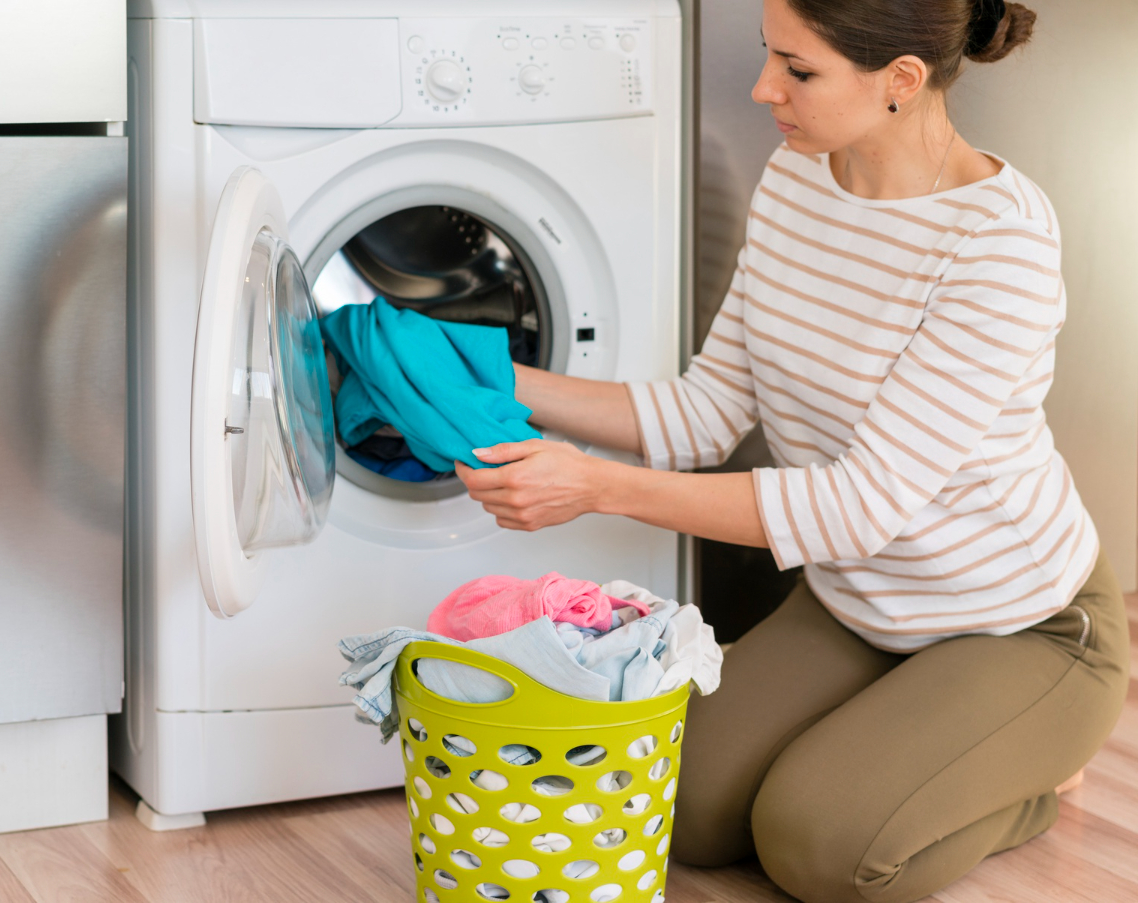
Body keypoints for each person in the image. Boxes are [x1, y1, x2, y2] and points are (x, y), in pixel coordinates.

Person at [455, 0, 1129, 900]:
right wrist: (489, 377)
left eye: (798, 70)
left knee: (819, 847)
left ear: (900, 81)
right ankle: (915, 743)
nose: (763, 89)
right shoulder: (796, 176)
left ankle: (1026, 780)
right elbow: (704, 413)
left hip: (1016, 621)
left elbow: (857, 506)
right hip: (860, 602)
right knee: (676, 806)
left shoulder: (997, 244)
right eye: (768, 56)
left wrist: (596, 488)